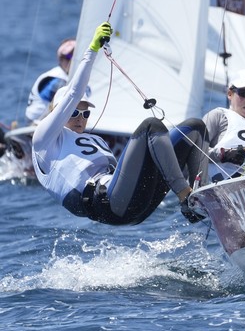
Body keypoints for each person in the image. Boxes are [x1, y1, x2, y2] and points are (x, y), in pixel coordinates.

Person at [32, 22, 209, 225]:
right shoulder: (44, 140)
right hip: (109, 205)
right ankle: (188, 198)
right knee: (151, 126)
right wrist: (92, 50)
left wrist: (219, 156)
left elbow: (128, 172)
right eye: (74, 112)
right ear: (57, 113)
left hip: (133, 201)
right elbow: (74, 92)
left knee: (195, 128)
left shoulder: (95, 139)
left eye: (85, 112)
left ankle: (203, 201)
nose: (81, 117)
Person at [26, 38, 76, 123]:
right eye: (68, 57)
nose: (71, 61)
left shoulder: (66, 77)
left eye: (74, 57)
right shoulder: (57, 80)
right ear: (61, 59)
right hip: (36, 126)